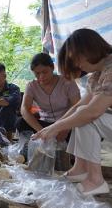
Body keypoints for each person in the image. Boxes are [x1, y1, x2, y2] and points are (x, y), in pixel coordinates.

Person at [34, 29, 112, 196]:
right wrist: (55, 126)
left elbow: (93, 111)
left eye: (76, 59)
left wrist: (56, 127)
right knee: (80, 114)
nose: (77, 65)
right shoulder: (98, 74)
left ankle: (96, 180)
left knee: (87, 115)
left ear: (88, 50)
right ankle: (81, 168)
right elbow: (80, 106)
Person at [16, 53, 80, 142]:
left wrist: (64, 128)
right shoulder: (31, 86)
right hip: (45, 124)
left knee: (82, 127)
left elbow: (77, 106)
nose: (41, 77)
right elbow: (24, 109)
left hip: (66, 122)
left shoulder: (67, 82)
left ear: (52, 67)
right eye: (37, 73)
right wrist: (42, 132)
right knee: (21, 123)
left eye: (45, 72)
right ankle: (30, 150)